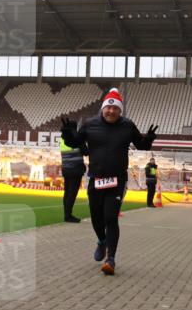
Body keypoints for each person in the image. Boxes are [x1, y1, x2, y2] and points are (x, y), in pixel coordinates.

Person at [61, 88, 157, 276]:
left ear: (120, 111)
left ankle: (111, 259)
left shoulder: (128, 126)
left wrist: (149, 139)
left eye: (115, 109)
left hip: (117, 180)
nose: (111, 112)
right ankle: (102, 241)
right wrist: (68, 135)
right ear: (103, 109)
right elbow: (76, 143)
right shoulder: (90, 124)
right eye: (108, 108)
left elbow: (141, 145)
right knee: (97, 219)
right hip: (96, 179)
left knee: (111, 217)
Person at [60, 132, 87, 222]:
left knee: (67, 192)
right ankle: (68, 216)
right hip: (75, 170)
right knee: (72, 193)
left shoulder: (63, 140)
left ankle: (66, 214)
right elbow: (86, 152)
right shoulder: (77, 140)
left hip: (66, 169)